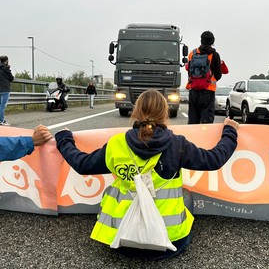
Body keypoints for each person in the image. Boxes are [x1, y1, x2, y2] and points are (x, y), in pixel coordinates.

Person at [55, 89, 239, 260]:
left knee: (111, 191)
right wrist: (230, 132)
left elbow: (82, 164)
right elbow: (214, 159)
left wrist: (64, 140)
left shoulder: (117, 143)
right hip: (169, 244)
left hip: (122, 242)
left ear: (135, 113)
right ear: (165, 114)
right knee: (186, 196)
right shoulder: (177, 144)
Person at [186, 31, 222, 124]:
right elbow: (218, 75)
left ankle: (192, 137)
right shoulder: (215, 55)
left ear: (201, 40)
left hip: (193, 90)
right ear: (212, 41)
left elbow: (189, 71)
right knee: (207, 121)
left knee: (193, 120)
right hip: (208, 91)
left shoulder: (192, 53)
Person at [0, 55, 14, 126]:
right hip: (5, 88)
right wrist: (8, 68)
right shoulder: (6, 68)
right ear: (6, 61)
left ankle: (1, 119)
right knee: (3, 105)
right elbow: (11, 78)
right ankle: (1, 120)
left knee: (0, 105)